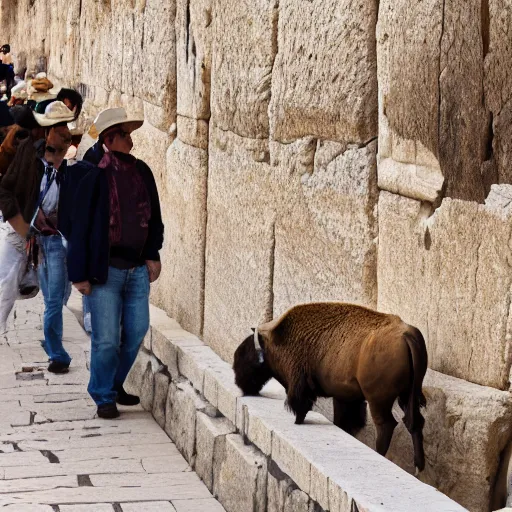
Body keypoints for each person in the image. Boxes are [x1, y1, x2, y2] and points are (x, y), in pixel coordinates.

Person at [68, 107, 164, 419]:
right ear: (111, 139)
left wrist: (153, 253)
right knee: (106, 338)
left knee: (136, 330)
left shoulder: (143, 172)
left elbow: (154, 218)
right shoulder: (93, 175)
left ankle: (113, 383)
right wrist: (79, 274)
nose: (130, 139)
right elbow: (79, 227)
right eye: (125, 134)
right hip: (105, 272)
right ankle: (103, 395)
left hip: (136, 269)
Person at [0, 102, 86, 374]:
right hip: (26, 233)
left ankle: (55, 350)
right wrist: (23, 224)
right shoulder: (29, 153)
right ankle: (53, 350)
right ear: (47, 131)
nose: (64, 132)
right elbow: (6, 190)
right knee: (6, 283)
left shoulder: (72, 158)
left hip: (55, 238)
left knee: (56, 298)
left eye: (66, 127)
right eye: (59, 128)